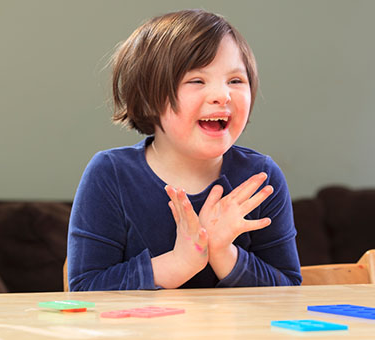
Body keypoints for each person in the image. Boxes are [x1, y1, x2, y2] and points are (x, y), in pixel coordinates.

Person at [67, 9, 301, 291]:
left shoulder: (261, 177)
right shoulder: (110, 174)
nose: (222, 95)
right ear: (148, 97)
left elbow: (288, 291)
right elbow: (86, 289)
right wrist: (180, 263)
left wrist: (221, 252)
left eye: (236, 81)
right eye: (197, 81)